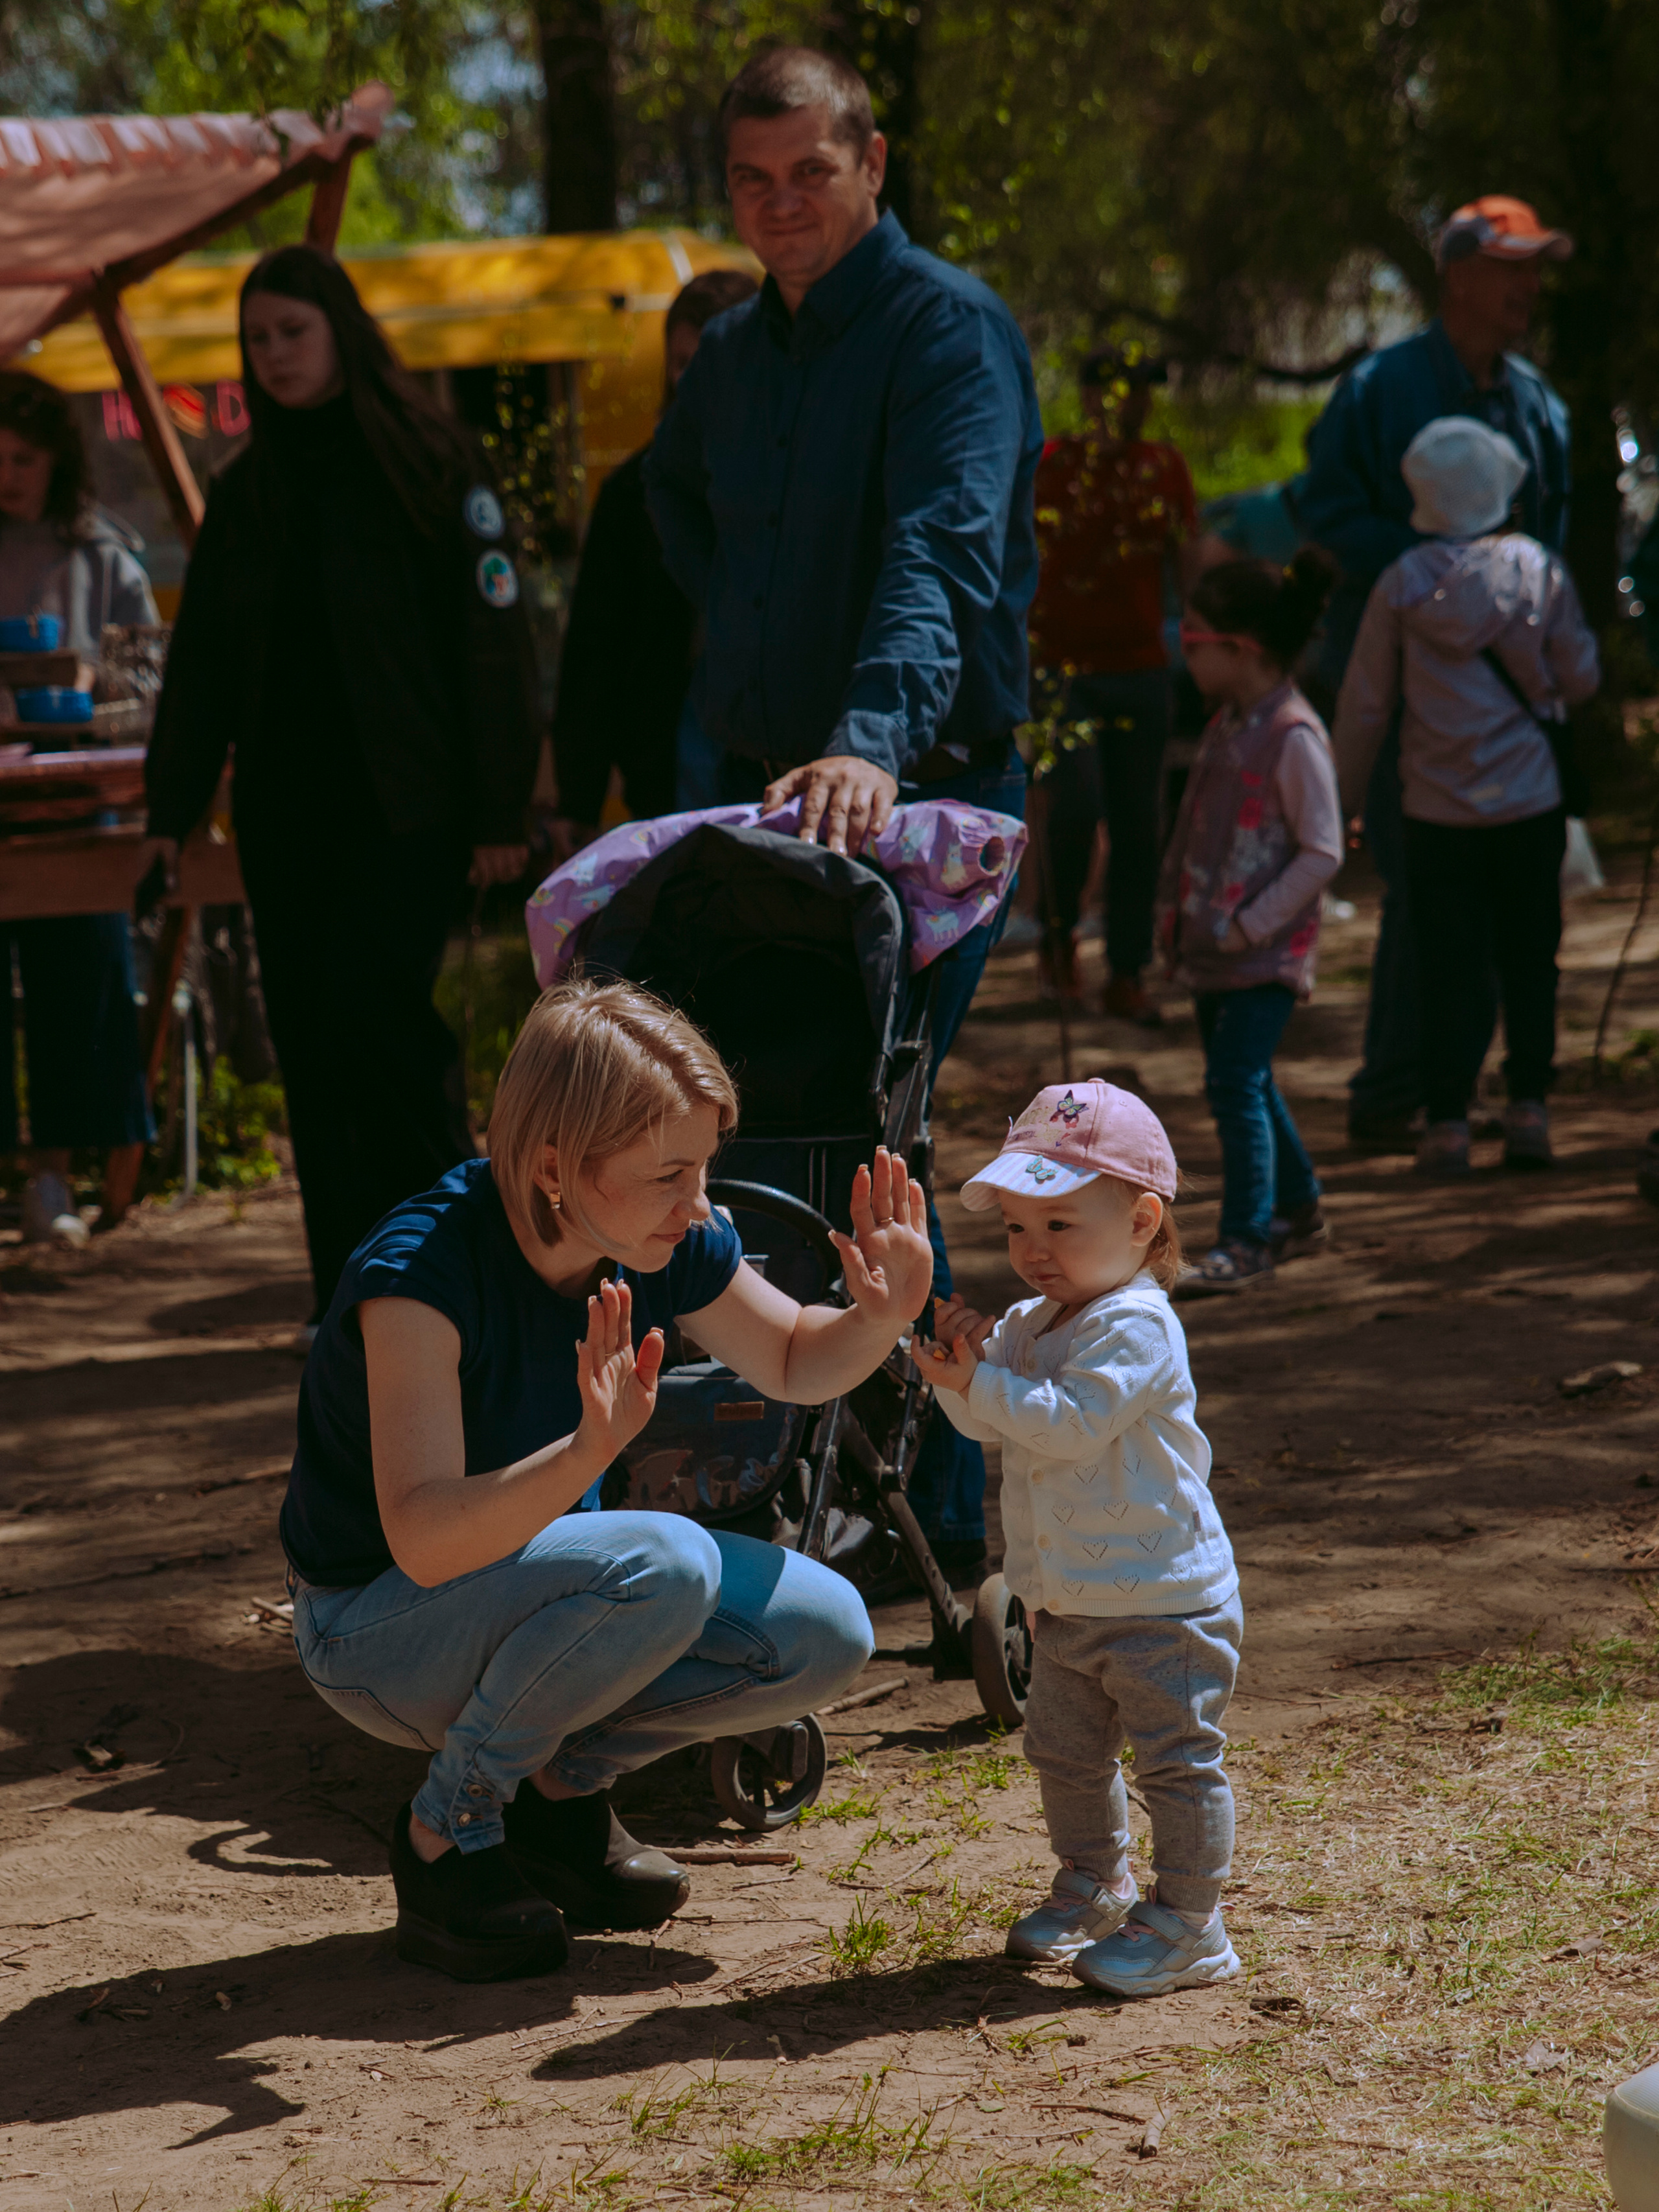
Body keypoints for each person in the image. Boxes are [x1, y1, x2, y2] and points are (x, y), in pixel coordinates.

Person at [281, 979, 931, 1981]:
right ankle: (446, 1832)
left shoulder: (655, 1235)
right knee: (662, 1560)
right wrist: (586, 1454)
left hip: (535, 1596)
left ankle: (557, 1796)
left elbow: (798, 1360)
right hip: (376, 1627)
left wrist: (881, 1314)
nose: (701, 1203)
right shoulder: (420, 1276)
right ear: (553, 1167)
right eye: (670, 1173)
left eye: (705, 1167)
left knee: (825, 1631)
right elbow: (421, 1537)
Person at [644, 45, 1042, 1579]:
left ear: (869, 164)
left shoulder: (948, 331)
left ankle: (933, 1507)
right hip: (761, 816)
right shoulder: (735, 357)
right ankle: (774, 1473)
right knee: (772, 1129)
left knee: (874, 1129)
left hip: (924, 800)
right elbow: (669, 502)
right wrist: (730, 706)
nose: (779, 203)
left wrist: (866, 736)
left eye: (809, 171)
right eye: (750, 180)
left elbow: (938, 551)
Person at [144, 245, 541, 1329]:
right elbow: (204, 671)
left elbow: (495, 643)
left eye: (293, 333)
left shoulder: (430, 460)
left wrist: (504, 807)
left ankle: (475, 1279)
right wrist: (169, 815)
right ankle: (354, 1299)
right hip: (287, 818)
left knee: (389, 1034)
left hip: (408, 812)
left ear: (340, 332)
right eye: (257, 339)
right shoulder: (249, 492)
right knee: (314, 1052)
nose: (274, 356)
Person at [921, 1079, 1242, 1999]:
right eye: (1018, 1228)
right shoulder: (1029, 1322)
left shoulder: (1138, 1325)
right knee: (1064, 1754)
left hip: (1163, 1603)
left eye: (1060, 1225)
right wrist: (959, 1376)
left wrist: (983, 1385)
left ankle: (1191, 1923)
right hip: (1062, 1598)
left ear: (1144, 1221)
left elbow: (1065, 1423)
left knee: (1177, 1764)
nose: (1032, 1251)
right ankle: (1096, 1881)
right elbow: (994, 1425)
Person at [1299, 196, 1573, 1151]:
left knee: (1504, 909)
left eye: (1538, 269)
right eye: (1513, 267)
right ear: (1460, 275)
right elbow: (1325, 509)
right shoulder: (1378, 390)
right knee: (1424, 895)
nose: (1529, 288)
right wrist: (1434, 580)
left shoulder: (1539, 406)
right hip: (1407, 697)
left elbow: (1559, 557)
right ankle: (1398, 1095)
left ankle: (1465, 1098)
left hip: (1508, 715)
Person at [1334, 419, 1599, 1177]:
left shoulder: (1400, 584)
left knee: (1447, 963)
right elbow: (1578, 676)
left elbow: (1364, 707)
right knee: (1529, 955)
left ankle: (1447, 1121)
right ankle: (1528, 1112)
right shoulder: (1536, 570)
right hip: (1530, 805)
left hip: (1435, 811)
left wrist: (1338, 802)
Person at [1155, 553, 1343, 1293]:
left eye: (1194, 634)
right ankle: (1298, 1210)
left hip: (1260, 956)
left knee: (1233, 1080)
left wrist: (1249, 925)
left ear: (1242, 647)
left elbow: (1322, 849)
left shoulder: (1293, 735)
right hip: (1212, 951)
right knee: (1249, 1081)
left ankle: (1246, 1237)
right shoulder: (1227, 726)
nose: (1182, 645)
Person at [0, 369, 156, 1245]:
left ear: (55, 460)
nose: (8, 476)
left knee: (81, 980)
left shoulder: (103, 557)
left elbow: (144, 681)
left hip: (78, 803)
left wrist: (88, 696)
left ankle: (69, 1174)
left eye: (23, 458)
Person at [1027, 348, 1218, 1023]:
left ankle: (1128, 970)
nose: (1132, 402)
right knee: (1075, 808)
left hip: (1141, 669)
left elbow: (1187, 558)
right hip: (1062, 672)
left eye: (1142, 390)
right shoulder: (1051, 465)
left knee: (1141, 823)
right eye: (1118, 389)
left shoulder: (1163, 468)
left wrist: (1209, 643)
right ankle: (1057, 940)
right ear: (1087, 394)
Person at [550, 268, 758, 847]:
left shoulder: (811, 477)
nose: (696, 379)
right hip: (673, 757)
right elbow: (597, 646)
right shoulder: (633, 493)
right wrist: (579, 794)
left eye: (718, 357)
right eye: (683, 362)